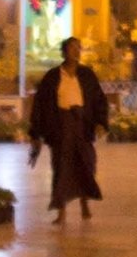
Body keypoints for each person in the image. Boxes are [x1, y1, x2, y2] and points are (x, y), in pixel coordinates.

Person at [29, 36, 109, 224]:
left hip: (82, 125)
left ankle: (84, 204)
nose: (76, 51)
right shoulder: (52, 77)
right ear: (64, 51)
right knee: (62, 167)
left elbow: (99, 100)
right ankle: (61, 211)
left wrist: (100, 122)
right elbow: (40, 105)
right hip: (61, 126)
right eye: (73, 48)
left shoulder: (87, 75)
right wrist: (36, 134)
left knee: (86, 164)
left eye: (79, 48)